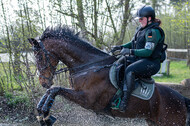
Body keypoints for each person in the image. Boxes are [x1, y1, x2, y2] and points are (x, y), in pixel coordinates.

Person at [111, 5, 165, 112]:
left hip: (151, 63)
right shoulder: (141, 29)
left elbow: (148, 51)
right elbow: (132, 43)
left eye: (141, 18)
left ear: (149, 18)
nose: (139, 21)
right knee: (122, 61)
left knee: (130, 70)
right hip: (141, 59)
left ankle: (124, 102)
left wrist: (130, 51)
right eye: (139, 18)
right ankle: (119, 92)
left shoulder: (153, 32)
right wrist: (121, 47)